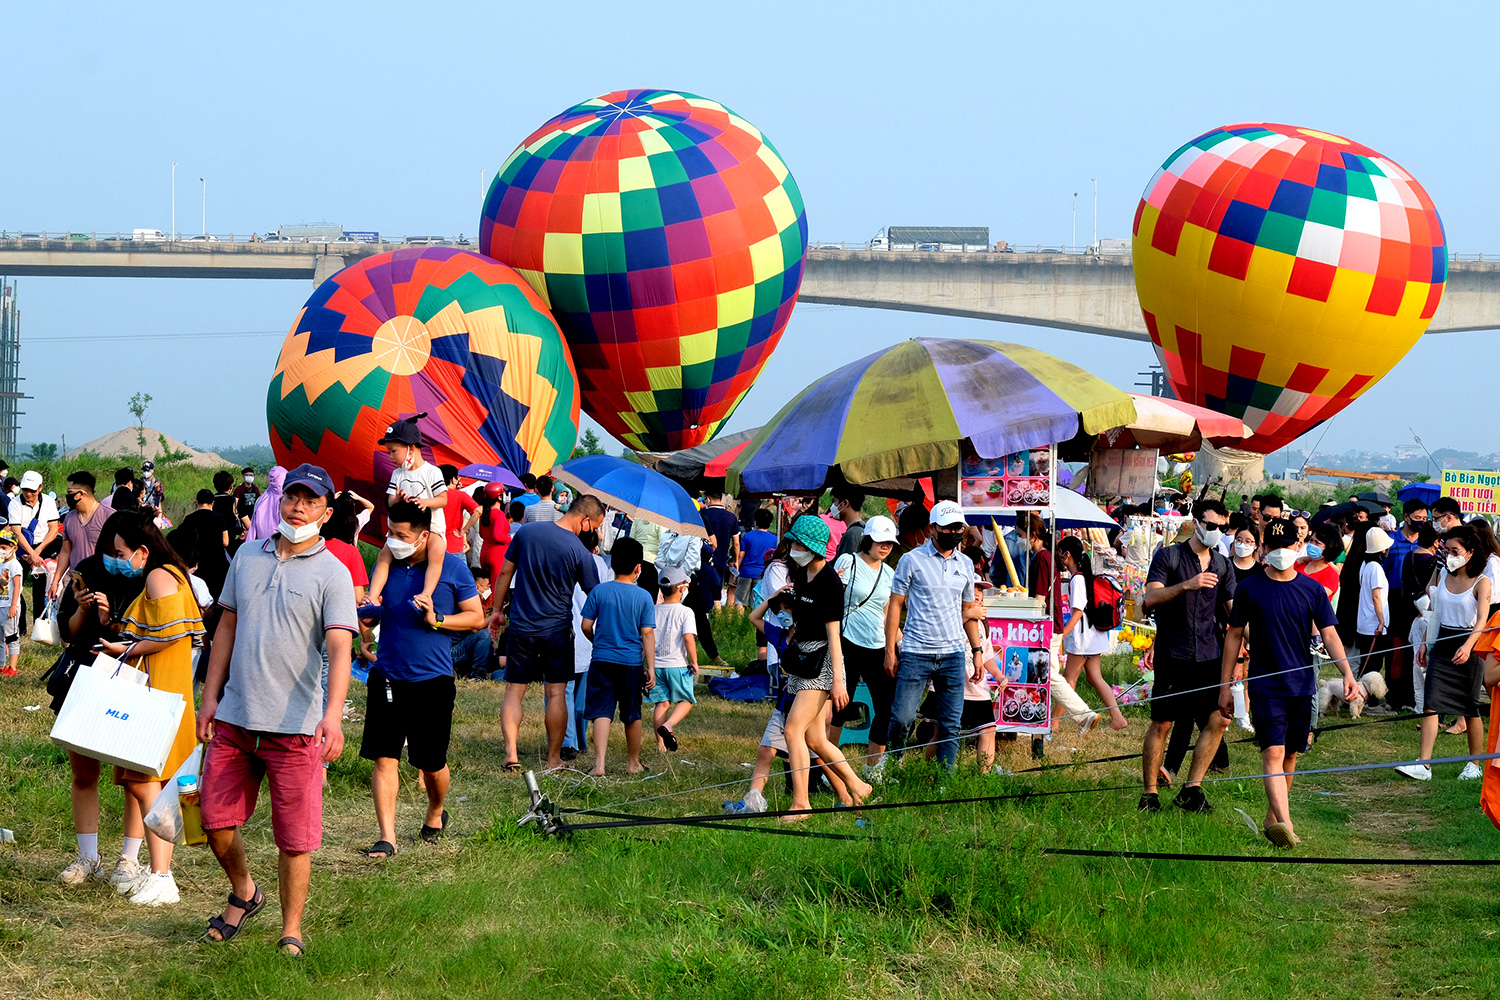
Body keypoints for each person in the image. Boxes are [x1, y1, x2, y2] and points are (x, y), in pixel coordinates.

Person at [196, 464, 357, 955]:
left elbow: (339, 648)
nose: (298, 507)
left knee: (295, 839)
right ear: (279, 501)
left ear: (327, 512)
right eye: (292, 497)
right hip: (235, 719)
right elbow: (226, 627)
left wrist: (332, 715)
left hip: (296, 728)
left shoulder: (334, 572)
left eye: (310, 501)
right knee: (214, 820)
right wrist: (209, 697)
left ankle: (291, 928)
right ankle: (245, 892)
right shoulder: (246, 555)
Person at [357, 501, 483, 858]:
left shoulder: (452, 569)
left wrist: (438, 619)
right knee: (385, 757)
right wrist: (370, 615)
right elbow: (382, 609)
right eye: (391, 534)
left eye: (402, 536)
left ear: (423, 536)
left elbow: (475, 618)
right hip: (387, 675)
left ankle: (435, 811)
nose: (394, 541)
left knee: (432, 764)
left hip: (433, 680)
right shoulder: (389, 564)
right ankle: (387, 837)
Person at [1223, 518, 1359, 848]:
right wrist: (1225, 683)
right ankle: (1287, 825)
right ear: (1264, 549)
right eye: (1275, 546)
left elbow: (1329, 634)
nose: (1282, 552)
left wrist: (1347, 673)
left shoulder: (1312, 589)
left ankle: (1273, 817)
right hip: (1265, 685)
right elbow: (1234, 636)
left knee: (1291, 756)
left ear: (1297, 547)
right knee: (1273, 752)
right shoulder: (1249, 588)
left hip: (1302, 683)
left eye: (1289, 546)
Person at [93, 512, 203, 906]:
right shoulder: (168, 573)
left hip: (157, 690)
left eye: (120, 552)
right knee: (149, 781)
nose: (116, 559)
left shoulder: (159, 576)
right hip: (164, 687)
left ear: (142, 550)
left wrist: (122, 649)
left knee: (147, 783)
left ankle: (162, 875)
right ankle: (151, 869)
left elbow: (168, 634)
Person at [52, 513, 148, 890]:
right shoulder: (88, 569)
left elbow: (148, 636)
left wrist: (113, 621)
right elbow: (68, 633)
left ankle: (129, 858)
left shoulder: (151, 578)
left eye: (120, 551)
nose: (113, 558)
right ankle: (87, 857)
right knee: (83, 772)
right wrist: (83, 609)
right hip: (84, 676)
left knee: (133, 777)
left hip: (131, 680)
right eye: (109, 550)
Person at [491, 494, 605, 770]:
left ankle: (512, 753)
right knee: (556, 693)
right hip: (556, 629)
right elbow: (596, 596)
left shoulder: (527, 532)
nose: (595, 532)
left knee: (514, 692)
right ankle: (553, 759)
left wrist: (496, 611)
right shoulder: (580, 552)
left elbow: (505, 572)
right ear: (585, 520)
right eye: (596, 526)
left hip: (521, 625)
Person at [882, 501, 994, 772]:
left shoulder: (966, 564)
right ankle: (893, 765)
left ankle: (945, 780)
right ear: (934, 529)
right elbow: (895, 604)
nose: (955, 532)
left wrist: (977, 652)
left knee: (950, 722)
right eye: (949, 528)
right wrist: (889, 650)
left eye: (959, 527)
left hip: (953, 654)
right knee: (902, 717)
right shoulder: (911, 560)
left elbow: (969, 610)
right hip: (916, 650)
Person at [1139, 498, 1235, 814]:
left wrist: (1252, 644)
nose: (1216, 532)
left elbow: (1233, 613)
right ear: (1196, 523)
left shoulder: (1222, 564)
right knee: (1163, 723)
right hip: (1172, 652)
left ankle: (1191, 790)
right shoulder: (1170, 556)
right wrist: (1187, 585)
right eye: (1210, 526)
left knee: (1219, 718)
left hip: (1209, 655)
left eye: (1222, 527)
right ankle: (1149, 794)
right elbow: (1150, 598)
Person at [778, 515, 872, 819]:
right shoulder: (803, 573)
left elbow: (834, 635)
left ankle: (801, 803)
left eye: (797, 543)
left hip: (822, 663)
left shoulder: (830, 582)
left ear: (812, 547)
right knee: (815, 739)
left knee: (793, 730)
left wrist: (839, 681)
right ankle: (857, 785)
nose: (793, 547)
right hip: (803, 659)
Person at [1397, 524, 1492, 782]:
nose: (1449, 555)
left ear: (1470, 552)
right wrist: (1426, 643)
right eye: (1446, 549)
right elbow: (1435, 613)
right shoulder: (1443, 575)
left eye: (1455, 550)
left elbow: (1483, 619)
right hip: (1442, 644)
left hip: (1469, 648)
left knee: (1469, 707)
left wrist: (1469, 645)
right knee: (1431, 702)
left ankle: (1475, 763)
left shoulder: (1482, 582)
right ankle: (1423, 764)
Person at [581, 537, 656, 775]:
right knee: (632, 713)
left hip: (601, 660)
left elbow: (585, 625)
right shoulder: (643, 596)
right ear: (638, 568)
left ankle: (599, 764)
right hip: (631, 662)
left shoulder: (598, 591)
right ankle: (633, 763)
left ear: (612, 563)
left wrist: (597, 641)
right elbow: (647, 634)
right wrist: (651, 667)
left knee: (601, 712)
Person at [831, 515, 898, 763]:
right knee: (840, 706)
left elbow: (887, 613)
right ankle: (828, 765)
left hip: (877, 645)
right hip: (847, 642)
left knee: (886, 707)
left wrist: (895, 645)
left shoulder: (890, 573)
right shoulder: (849, 561)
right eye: (881, 541)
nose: (885, 547)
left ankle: (874, 768)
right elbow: (836, 598)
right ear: (867, 539)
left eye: (890, 543)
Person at [367, 417, 448, 609]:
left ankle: (426, 595)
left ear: (411, 448)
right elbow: (389, 501)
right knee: (384, 556)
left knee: (437, 553)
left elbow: (443, 499)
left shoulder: (432, 472)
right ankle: (372, 596)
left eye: (393, 451)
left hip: (431, 528)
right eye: (389, 452)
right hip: (403, 532)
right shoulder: (397, 474)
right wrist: (398, 500)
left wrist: (425, 502)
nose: (391, 457)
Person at [1058, 536, 1127, 731]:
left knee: (1068, 680)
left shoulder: (1077, 579)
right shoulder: (1083, 576)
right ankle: (1118, 717)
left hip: (1083, 638)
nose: (1059, 558)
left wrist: (1063, 634)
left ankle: (1053, 723)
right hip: (1094, 635)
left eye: (1060, 553)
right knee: (1094, 677)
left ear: (1067, 555)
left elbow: (1078, 611)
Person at [649, 564, 699, 752]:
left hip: (657, 666)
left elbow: (646, 637)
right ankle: (668, 726)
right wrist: (694, 661)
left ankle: (661, 746)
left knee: (661, 704)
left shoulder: (653, 611)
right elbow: (688, 638)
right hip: (678, 665)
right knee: (686, 701)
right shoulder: (686, 612)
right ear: (681, 588)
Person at [49, 471, 115, 601]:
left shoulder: (110, 516)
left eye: (69, 492)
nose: (67, 496)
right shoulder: (69, 518)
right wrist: (55, 581)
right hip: (75, 581)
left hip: (101, 582)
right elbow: (66, 551)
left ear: (81, 494)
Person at [10, 469, 61, 625]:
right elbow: (16, 531)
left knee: (40, 588)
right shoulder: (15, 503)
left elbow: (53, 529)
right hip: (22, 547)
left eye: (32, 490)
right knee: (15, 586)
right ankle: (19, 624)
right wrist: (31, 553)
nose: (28, 494)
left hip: (42, 545)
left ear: (40, 488)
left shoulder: (48, 502)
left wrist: (37, 553)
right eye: (25, 489)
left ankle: (40, 623)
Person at [1355, 526, 1393, 677]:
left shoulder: (1365, 565)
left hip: (1365, 622)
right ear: (1383, 549)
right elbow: (1376, 596)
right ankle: (1368, 697)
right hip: (1374, 624)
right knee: (1373, 666)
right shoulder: (1376, 568)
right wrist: (1382, 621)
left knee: (1367, 662)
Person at [700, 493, 740, 607]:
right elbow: (736, 543)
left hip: (703, 560)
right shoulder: (731, 517)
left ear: (708, 499)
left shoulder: (703, 514)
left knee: (703, 591)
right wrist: (736, 560)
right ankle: (717, 621)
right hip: (722, 560)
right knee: (717, 594)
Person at [736, 507, 777, 611]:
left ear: (755, 522)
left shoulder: (747, 536)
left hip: (746, 572)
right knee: (756, 603)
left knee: (740, 601)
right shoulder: (774, 540)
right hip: (762, 574)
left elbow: (741, 555)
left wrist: (736, 570)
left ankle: (739, 622)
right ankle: (752, 624)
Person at [439, 464, 481, 559]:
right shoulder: (460, 495)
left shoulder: (432, 495)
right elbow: (478, 511)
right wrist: (464, 530)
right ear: (453, 479)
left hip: (434, 547)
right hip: (454, 546)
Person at [1298, 522, 1343, 600]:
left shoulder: (1331, 575)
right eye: (1311, 540)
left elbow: (1314, 597)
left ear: (1329, 547)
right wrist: (1300, 560)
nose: (1312, 544)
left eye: (1317, 543)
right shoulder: (1300, 564)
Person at [245, 466, 287, 542]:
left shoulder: (261, 500)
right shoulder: (287, 500)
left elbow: (253, 527)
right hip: (281, 545)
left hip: (262, 544)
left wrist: (249, 544)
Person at [0, 532, 20, 675]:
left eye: (3, 547)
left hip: (9, 606)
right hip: (0, 605)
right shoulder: (1, 564)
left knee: (11, 637)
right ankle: (2, 666)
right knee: (0, 638)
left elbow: (17, 586)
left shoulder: (15, 565)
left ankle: (12, 667)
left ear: (14, 548)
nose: (1, 551)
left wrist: (13, 605)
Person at [832, 485, 868, 560]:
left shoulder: (852, 534)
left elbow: (845, 567)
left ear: (844, 503)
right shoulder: (863, 528)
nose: (832, 507)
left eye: (834, 501)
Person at [211, 470, 240, 544]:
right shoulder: (234, 501)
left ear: (215, 485)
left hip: (214, 538)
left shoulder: (211, 501)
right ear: (231, 487)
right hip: (230, 538)